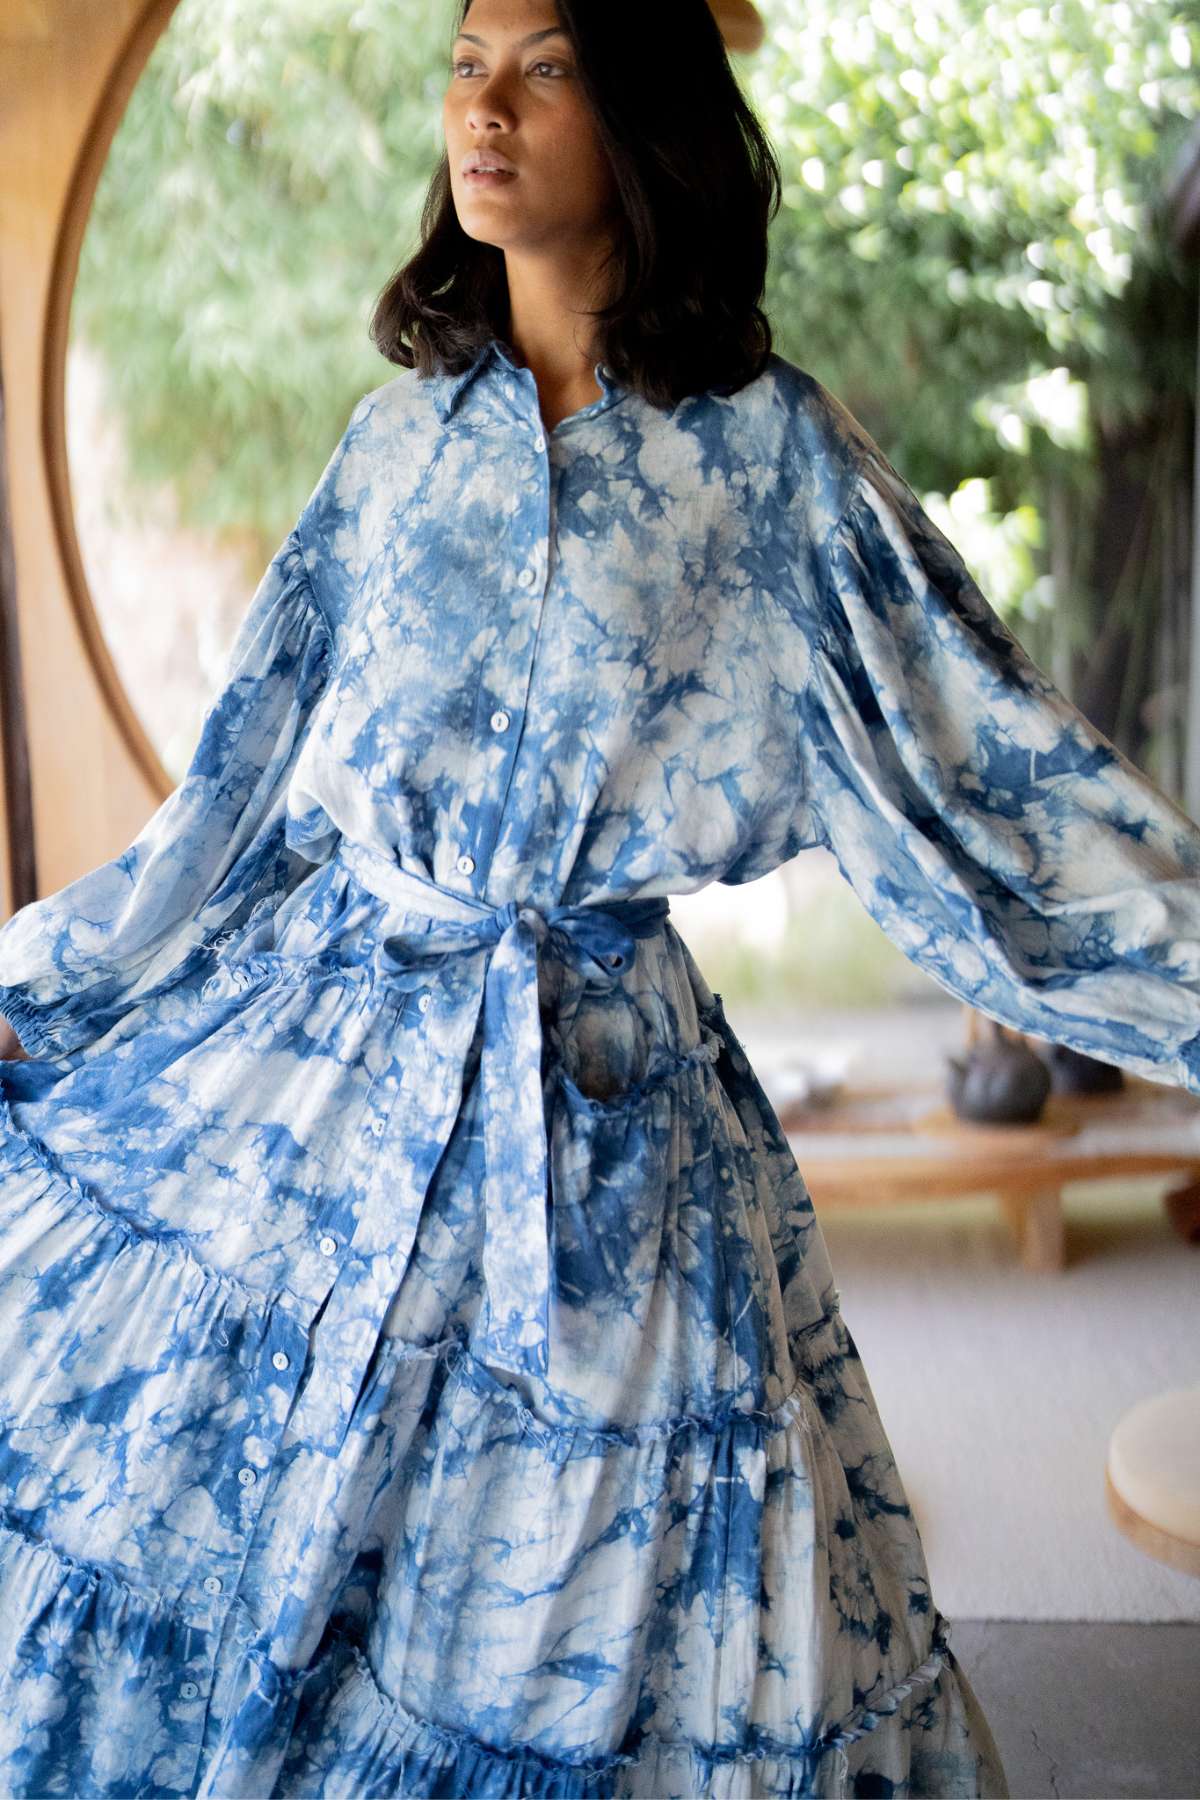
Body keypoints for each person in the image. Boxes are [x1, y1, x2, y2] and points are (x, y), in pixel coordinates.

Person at [0, 0, 1197, 1792]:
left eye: (541, 67)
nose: (480, 108)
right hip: (326, 1079)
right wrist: (70, 982)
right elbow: (241, 796)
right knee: (211, 1505)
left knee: (651, 1606)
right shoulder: (392, 449)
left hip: (610, 1121)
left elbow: (996, 777)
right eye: (463, 66)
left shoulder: (770, 465)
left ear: (640, 115)